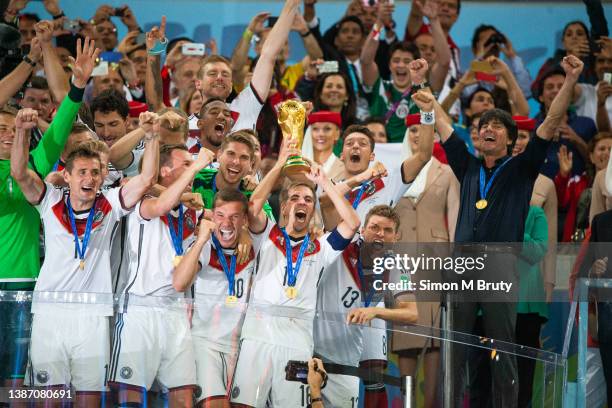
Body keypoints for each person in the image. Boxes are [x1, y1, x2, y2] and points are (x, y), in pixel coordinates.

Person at [435, 55, 584, 407]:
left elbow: (550, 120)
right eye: (483, 124)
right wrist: (421, 88)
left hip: (501, 265)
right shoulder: (467, 166)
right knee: (457, 349)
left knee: (502, 349)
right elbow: (440, 124)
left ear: (511, 139)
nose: (487, 128)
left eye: (497, 126)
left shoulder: (522, 170)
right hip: (462, 267)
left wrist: (570, 80)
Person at [11, 97, 157, 406]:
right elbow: (21, 174)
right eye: (82, 173)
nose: (89, 179)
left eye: (94, 173)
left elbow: (146, 179)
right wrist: (23, 132)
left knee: (89, 399)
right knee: (50, 399)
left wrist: (152, 137)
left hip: (93, 314)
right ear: (67, 175)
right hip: (50, 313)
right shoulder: (50, 202)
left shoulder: (111, 204)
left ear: (103, 176)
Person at [230, 137, 360, 408]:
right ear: (285, 206)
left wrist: (325, 184)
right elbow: (252, 209)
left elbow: (352, 222)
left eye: (308, 200)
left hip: (297, 343)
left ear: (312, 209)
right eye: (295, 198)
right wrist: (278, 165)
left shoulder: (321, 248)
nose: (302, 203)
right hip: (258, 336)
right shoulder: (266, 235)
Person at [0, 36, 95, 396]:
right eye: (2, 130)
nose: (9, 136)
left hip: (23, 284)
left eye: (14, 130)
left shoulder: (36, 163)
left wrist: (78, 87)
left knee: (17, 382)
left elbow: (58, 130)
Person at [108, 142, 214, 407]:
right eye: (186, 164)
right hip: (139, 310)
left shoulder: (196, 215)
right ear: (165, 170)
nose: (194, 170)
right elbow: (160, 200)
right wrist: (198, 166)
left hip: (177, 312)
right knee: (129, 398)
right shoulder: (143, 204)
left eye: (193, 164)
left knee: (182, 397)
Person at [315, 205, 419, 408]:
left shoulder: (398, 266)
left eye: (387, 230)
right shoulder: (344, 246)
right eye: (374, 227)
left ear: (396, 237)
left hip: (358, 334)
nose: (380, 234)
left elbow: (412, 313)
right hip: (321, 336)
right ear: (363, 231)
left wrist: (376, 311)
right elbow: (326, 206)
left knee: (375, 375)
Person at [173, 189, 265, 407]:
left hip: (240, 348)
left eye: (234, 216)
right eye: (221, 215)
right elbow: (179, 283)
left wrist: (244, 234)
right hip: (205, 344)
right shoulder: (204, 248)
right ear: (212, 216)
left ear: (244, 220)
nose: (226, 223)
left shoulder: (255, 245)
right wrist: (202, 239)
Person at [392, 116, 460, 408]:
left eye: (422, 129)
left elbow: (456, 217)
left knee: (434, 338)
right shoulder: (396, 170)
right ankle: (407, 402)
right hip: (401, 261)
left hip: (435, 263)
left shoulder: (447, 172)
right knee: (406, 335)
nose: (417, 134)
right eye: (411, 129)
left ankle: (432, 403)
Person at [319, 90, 435, 230]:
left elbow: (424, 155)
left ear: (372, 156)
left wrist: (428, 113)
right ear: (342, 155)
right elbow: (324, 201)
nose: (356, 146)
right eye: (349, 143)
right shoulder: (330, 186)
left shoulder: (388, 182)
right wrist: (358, 179)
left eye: (363, 144)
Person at [191, 131, 274, 220]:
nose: (236, 162)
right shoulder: (196, 178)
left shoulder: (252, 197)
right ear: (219, 155)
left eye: (244, 157)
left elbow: (270, 228)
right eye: (231, 154)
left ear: (251, 164)